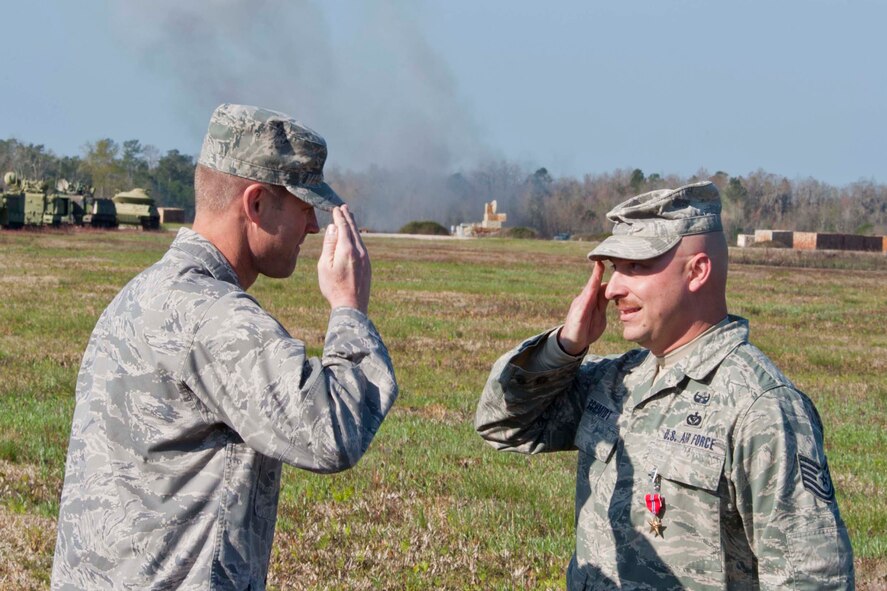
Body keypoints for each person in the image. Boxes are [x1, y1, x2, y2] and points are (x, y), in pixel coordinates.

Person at [51, 104, 398, 590]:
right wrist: (349, 310)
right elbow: (332, 432)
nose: (313, 228)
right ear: (255, 205)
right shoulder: (214, 318)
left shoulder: (141, 294)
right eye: (303, 207)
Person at [475, 181, 854, 589]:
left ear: (698, 271)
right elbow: (505, 426)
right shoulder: (618, 380)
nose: (614, 287)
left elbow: (813, 578)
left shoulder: (761, 408)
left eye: (637, 267)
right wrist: (564, 348)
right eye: (616, 268)